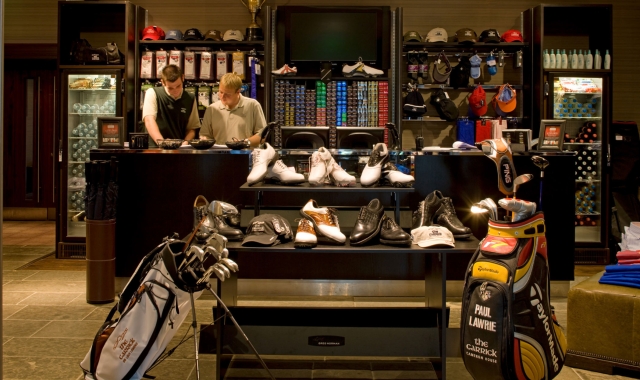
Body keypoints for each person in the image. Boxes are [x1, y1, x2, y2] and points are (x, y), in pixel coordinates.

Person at [200, 73, 266, 148]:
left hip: (246, 156)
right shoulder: (212, 109)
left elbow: (262, 135)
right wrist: (204, 139)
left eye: (227, 94)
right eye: (221, 92)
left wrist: (243, 143)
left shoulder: (253, 105)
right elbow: (205, 135)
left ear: (238, 92)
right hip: (219, 157)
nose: (222, 97)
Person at [142, 64, 200, 146]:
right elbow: (149, 121)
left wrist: (186, 142)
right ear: (162, 82)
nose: (175, 90)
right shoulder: (152, 93)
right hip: (155, 149)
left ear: (183, 78)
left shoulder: (190, 98)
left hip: (179, 150)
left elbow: (192, 128)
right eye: (170, 88)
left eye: (178, 86)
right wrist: (162, 143)